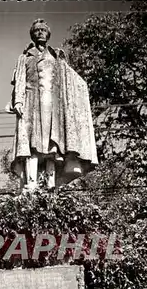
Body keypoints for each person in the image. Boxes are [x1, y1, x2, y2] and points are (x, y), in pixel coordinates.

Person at [6, 19, 98, 190]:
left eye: (43, 30)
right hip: (31, 102)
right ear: (32, 35)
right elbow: (20, 79)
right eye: (37, 30)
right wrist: (18, 100)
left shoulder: (56, 56)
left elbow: (67, 79)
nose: (40, 33)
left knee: (51, 146)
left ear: (48, 34)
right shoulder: (25, 57)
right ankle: (31, 183)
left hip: (52, 105)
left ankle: (50, 183)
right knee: (31, 146)